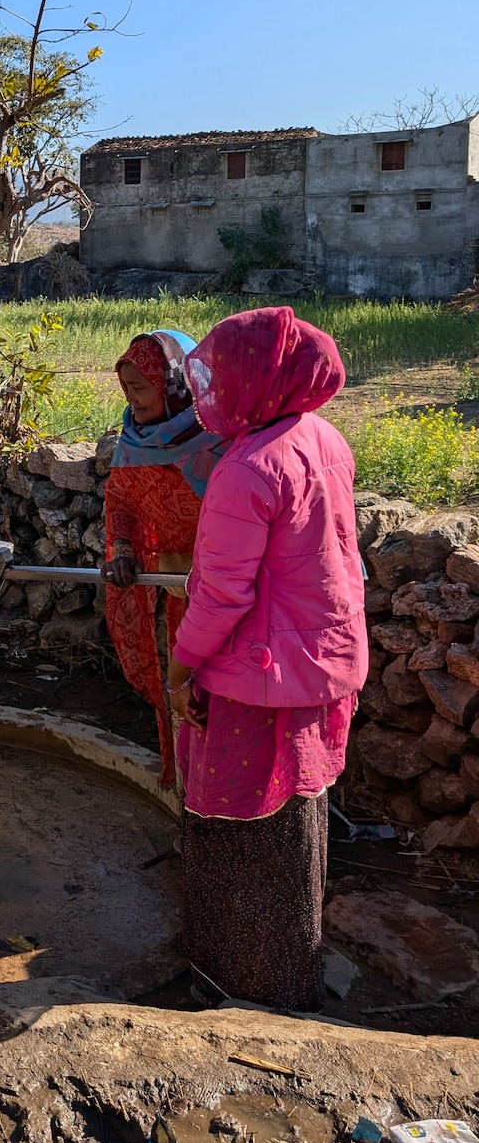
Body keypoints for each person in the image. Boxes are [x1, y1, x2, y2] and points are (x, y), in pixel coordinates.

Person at [168, 306, 366, 1011]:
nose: (213, 388)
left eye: (223, 375)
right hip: (319, 663)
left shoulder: (247, 467)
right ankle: (288, 973)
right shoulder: (322, 438)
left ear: (257, 379)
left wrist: (180, 666)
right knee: (294, 823)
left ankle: (229, 983)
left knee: (233, 829)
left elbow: (221, 594)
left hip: (254, 677)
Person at [101, 330, 228, 784]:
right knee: (187, 693)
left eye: (140, 388)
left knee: (226, 698)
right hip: (179, 587)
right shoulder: (135, 437)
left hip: (230, 593)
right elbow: (120, 499)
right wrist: (124, 549)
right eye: (127, 388)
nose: (131, 399)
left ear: (175, 383)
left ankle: (225, 803)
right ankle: (192, 800)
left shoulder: (218, 438)